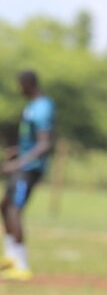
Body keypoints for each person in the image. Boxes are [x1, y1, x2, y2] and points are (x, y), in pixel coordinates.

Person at [1, 70, 55, 282]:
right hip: (24, 164)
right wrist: (18, 151)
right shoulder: (32, 106)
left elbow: (44, 144)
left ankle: (22, 265)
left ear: (28, 83)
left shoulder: (41, 108)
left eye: (20, 84)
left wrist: (18, 162)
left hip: (30, 168)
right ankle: (10, 257)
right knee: (5, 205)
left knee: (15, 210)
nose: (19, 88)